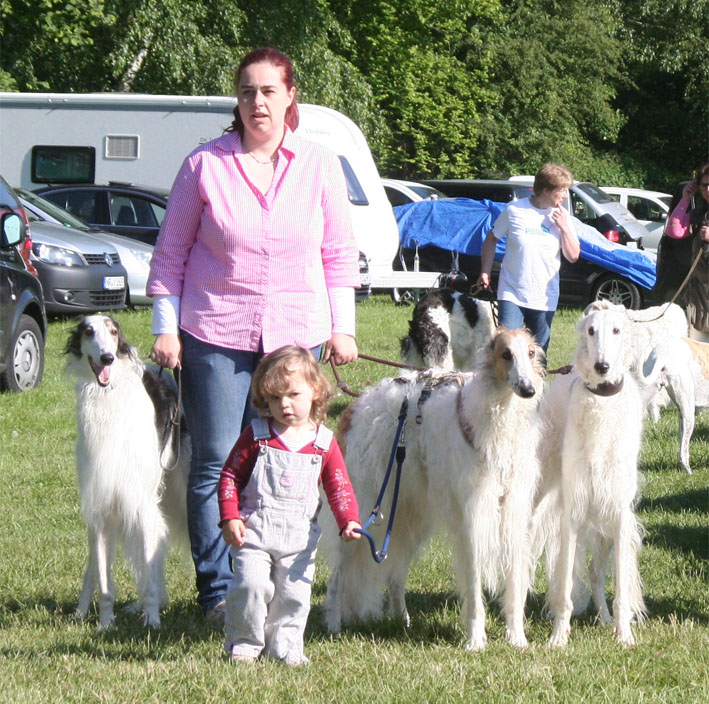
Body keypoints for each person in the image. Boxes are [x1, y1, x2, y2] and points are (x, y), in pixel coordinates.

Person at [146, 47, 361, 622]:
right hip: (215, 330)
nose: (257, 102)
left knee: (286, 458)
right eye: (247, 92)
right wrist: (166, 328)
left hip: (295, 336)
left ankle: (278, 582)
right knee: (217, 459)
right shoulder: (204, 165)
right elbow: (170, 255)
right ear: (236, 101)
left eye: (268, 91)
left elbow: (339, 252)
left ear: (290, 96)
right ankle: (219, 592)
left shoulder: (319, 164)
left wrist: (343, 327)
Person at [218, 346, 361, 665]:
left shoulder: (323, 443)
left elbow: (339, 486)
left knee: (293, 595)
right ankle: (245, 642)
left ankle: (285, 645)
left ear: (315, 391)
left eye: (294, 394)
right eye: (275, 397)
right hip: (254, 533)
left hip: (298, 539)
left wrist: (348, 520)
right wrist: (230, 516)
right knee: (250, 585)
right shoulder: (257, 436)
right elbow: (230, 476)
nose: (284, 404)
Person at [476, 163, 580, 353]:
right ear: (546, 190)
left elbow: (573, 256)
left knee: (538, 355)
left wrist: (564, 227)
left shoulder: (562, 216)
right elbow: (490, 240)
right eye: (562, 190)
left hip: (544, 296)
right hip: (512, 292)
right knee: (507, 351)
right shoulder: (514, 210)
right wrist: (485, 271)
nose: (565, 195)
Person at [664, 163, 709, 342]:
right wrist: (685, 199)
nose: (708, 189)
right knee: (698, 342)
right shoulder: (699, 214)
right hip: (700, 293)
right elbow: (673, 231)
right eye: (704, 185)